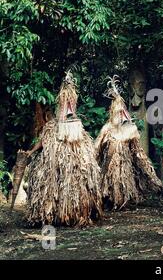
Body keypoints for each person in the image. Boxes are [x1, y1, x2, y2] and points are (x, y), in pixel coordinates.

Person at [25, 72, 102, 226]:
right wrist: (31, 152)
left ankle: (79, 214)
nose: (68, 103)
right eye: (64, 101)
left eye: (71, 101)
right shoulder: (51, 128)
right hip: (57, 147)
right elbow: (43, 141)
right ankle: (51, 214)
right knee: (50, 177)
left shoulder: (78, 132)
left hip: (75, 141)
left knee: (79, 178)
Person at [95, 76, 163, 210]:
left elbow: (138, 151)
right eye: (116, 112)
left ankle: (121, 202)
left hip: (124, 164)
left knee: (122, 182)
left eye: (121, 112)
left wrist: (148, 171)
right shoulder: (107, 128)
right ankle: (109, 201)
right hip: (109, 164)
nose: (119, 115)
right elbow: (97, 146)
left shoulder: (131, 129)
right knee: (109, 182)